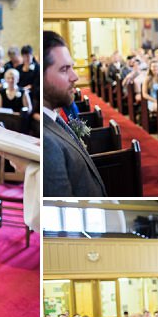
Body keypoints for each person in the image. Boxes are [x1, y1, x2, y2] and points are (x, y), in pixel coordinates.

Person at [42, 31, 106, 197]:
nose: (75, 76)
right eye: (64, 69)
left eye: (72, 67)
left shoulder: (53, 119)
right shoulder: (47, 142)